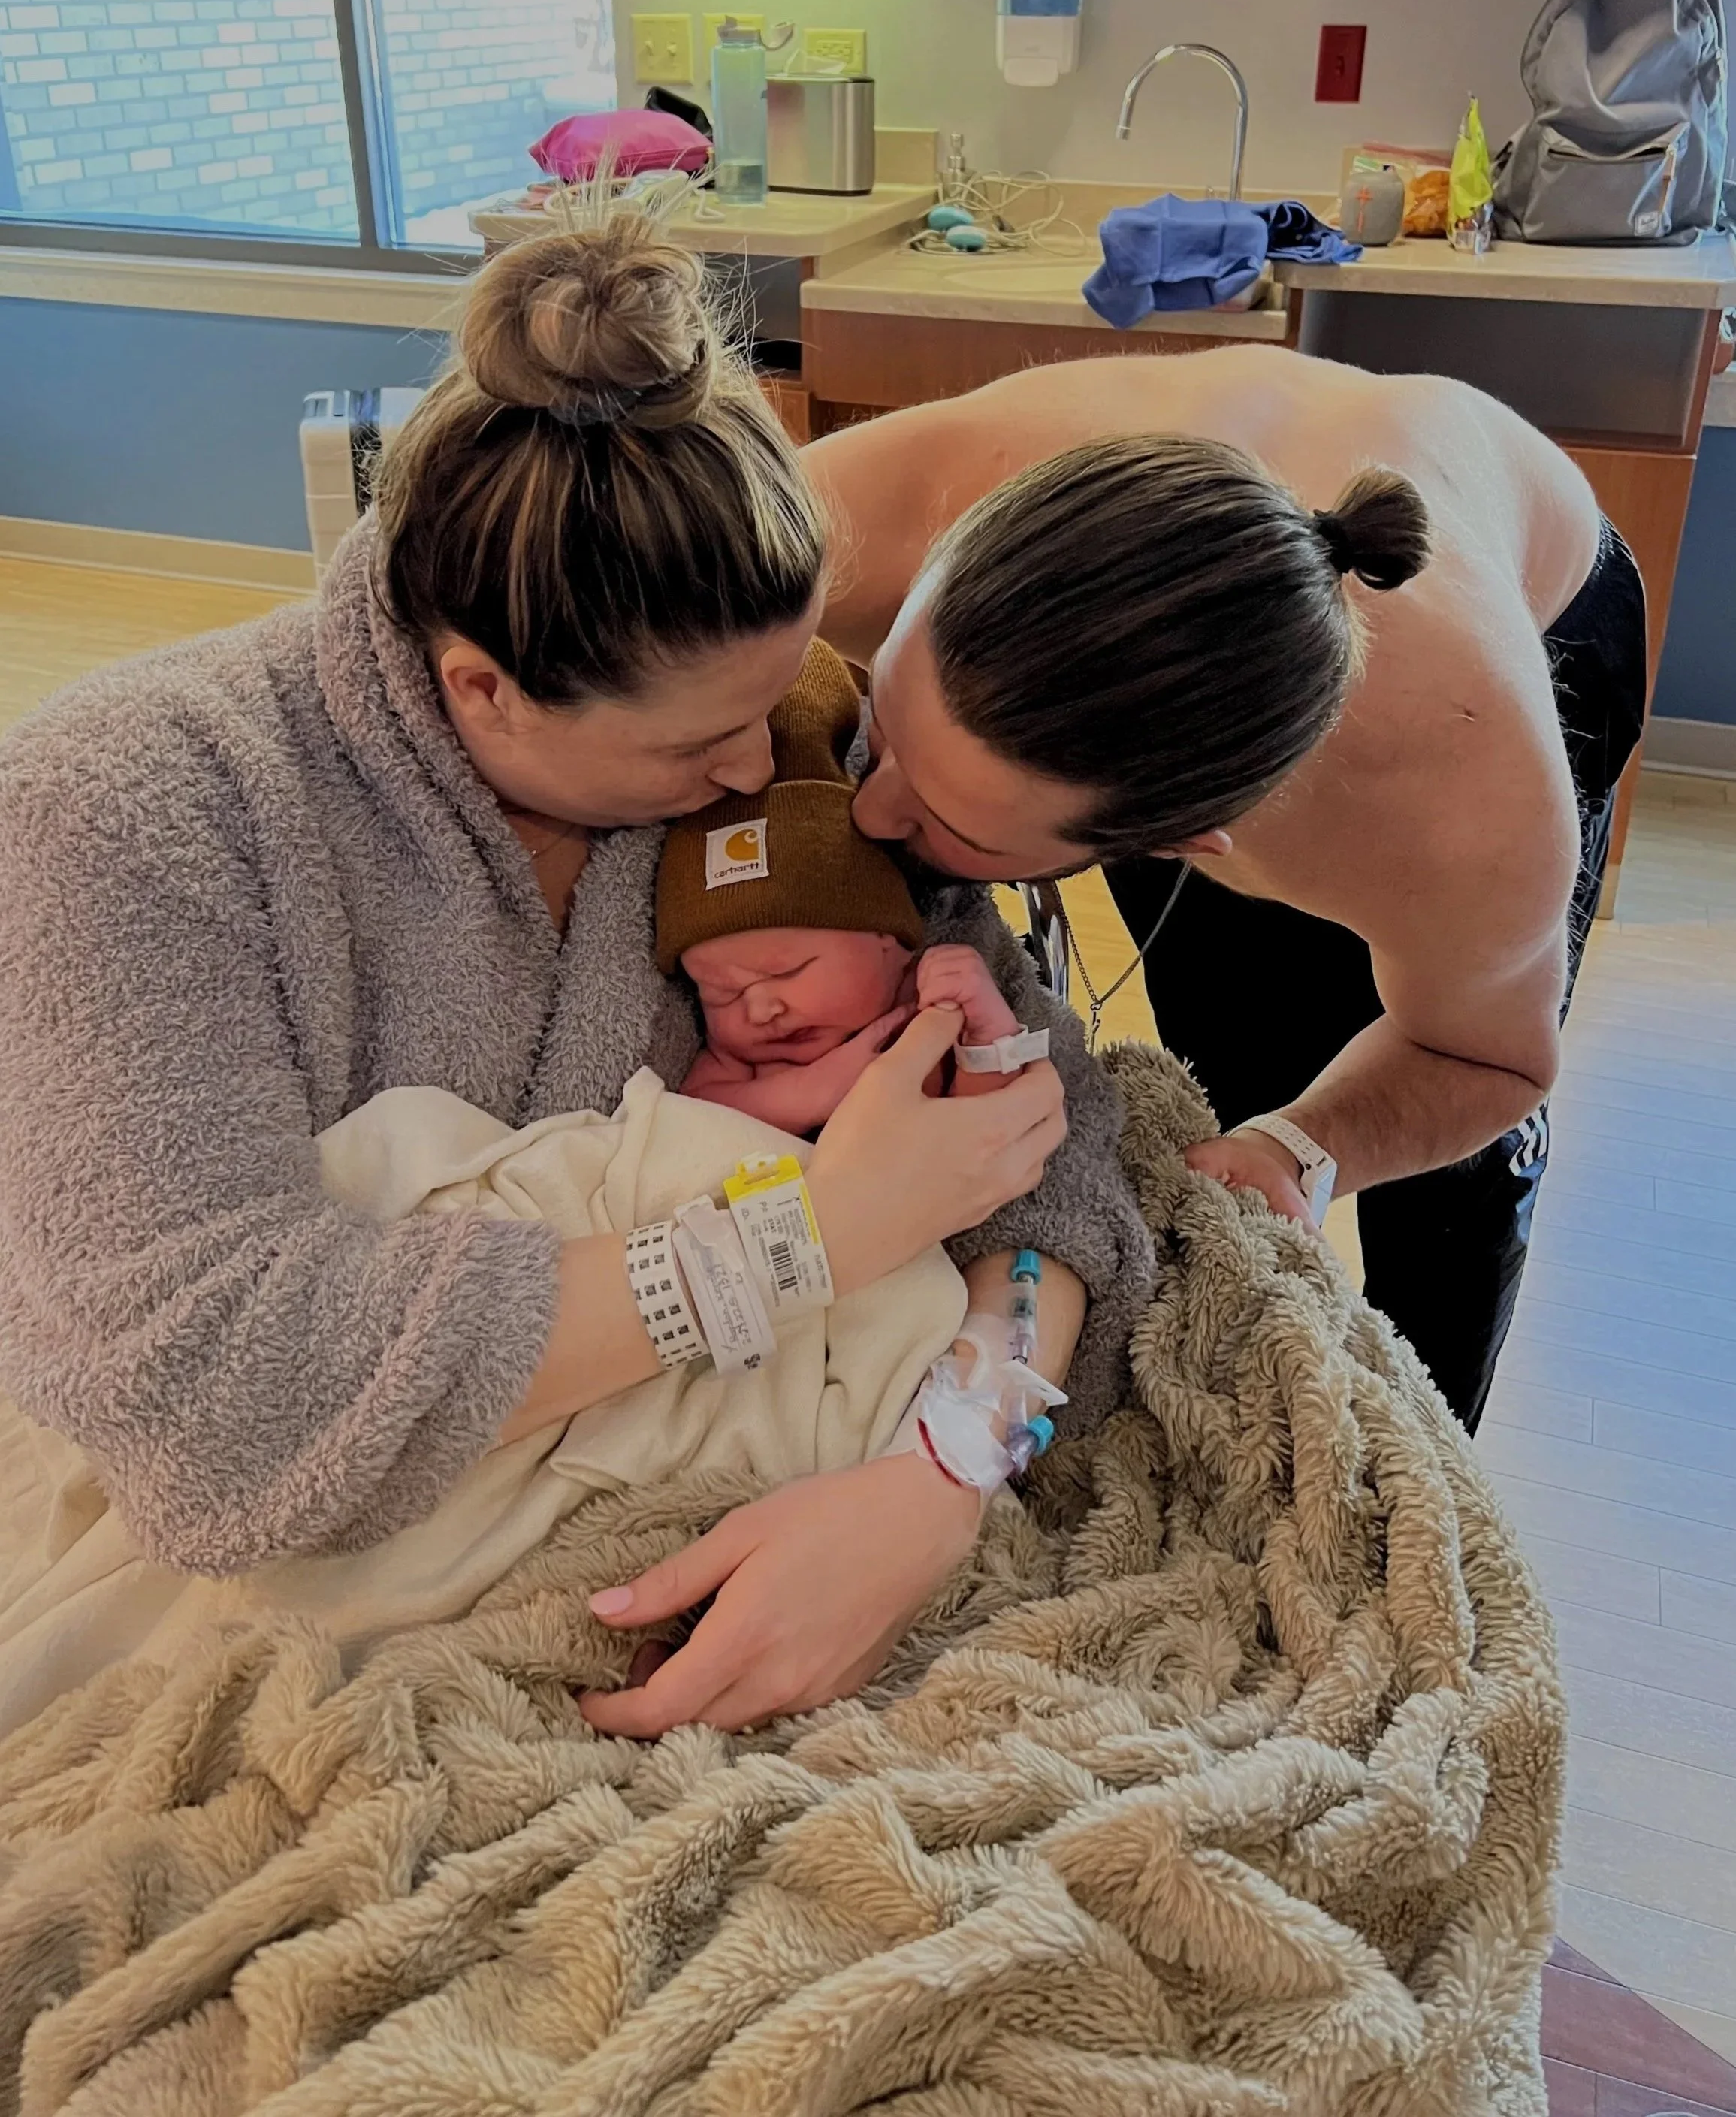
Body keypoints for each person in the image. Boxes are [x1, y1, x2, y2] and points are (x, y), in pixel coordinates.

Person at [0, 215, 1152, 1739]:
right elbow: (220, 1398)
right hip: (307, 1549)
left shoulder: (789, 723)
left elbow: (1044, 1150)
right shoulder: (135, 812)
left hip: (779, 1478)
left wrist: (940, 1475)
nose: (767, 767)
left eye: (779, 702)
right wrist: (806, 1233)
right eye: (693, 749)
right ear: (483, 685)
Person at [808, 347, 1645, 1430]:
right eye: (879, 730)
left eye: (947, 821)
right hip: (1224, 539)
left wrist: (1302, 1148)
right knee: (1227, 1081)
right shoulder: (870, 508)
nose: (868, 818)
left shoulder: (1468, 803)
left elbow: (1484, 1055)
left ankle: (1430, 1426)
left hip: (1546, 605)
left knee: (1425, 1182)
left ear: (1180, 842)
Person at [664, 638, 1036, 1133]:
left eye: (787, 970)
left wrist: (989, 1032)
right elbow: (690, 1113)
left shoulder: (922, 1003)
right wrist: (807, 1092)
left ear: (888, 941)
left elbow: (986, 1123)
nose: (758, 1008)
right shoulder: (744, 1064)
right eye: (719, 995)